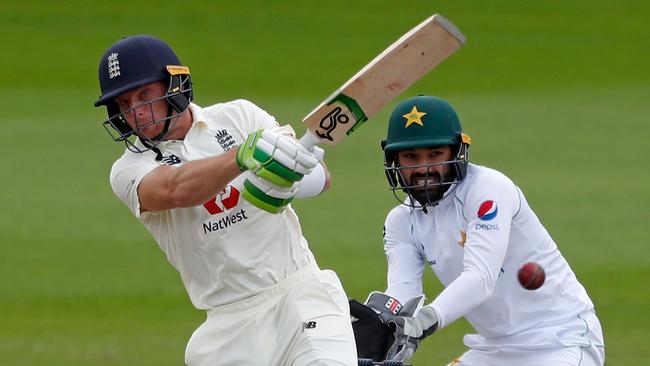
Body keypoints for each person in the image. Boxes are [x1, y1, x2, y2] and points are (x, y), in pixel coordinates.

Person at [94, 34, 357, 366]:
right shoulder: (129, 167)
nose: (136, 113)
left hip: (300, 295)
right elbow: (175, 190)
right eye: (124, 104)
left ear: (173, 85)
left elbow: (320, 178)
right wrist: (242, 158)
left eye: (144, 95)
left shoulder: (239, 117)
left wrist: (283, 183)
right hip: (228, 327)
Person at [350, 95, 605, 365]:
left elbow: (480, 277)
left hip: (560, 339)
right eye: (411, 156)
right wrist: (381, 322)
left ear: (457, 152)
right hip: (492, 349)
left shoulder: (488, 190)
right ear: (394, 160)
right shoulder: (400, 221)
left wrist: (424, 321)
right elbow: (403, 291)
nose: (423, 168)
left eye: (435, 154)